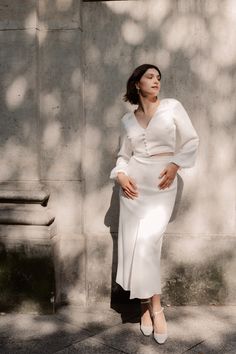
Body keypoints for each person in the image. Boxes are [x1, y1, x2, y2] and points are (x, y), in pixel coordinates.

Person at [109, 64, 199, 344]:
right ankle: (148, 308)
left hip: (161, 185)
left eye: (158, 77)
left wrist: (175, 165)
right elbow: (124, 155)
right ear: (136, 83)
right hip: (134, 190)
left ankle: (153, 308)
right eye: (149, 76)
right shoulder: (127, 120)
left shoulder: (173, 107)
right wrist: (120, 175)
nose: (156, 80)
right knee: (138, 245)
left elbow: (191, 141)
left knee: (148, 242)